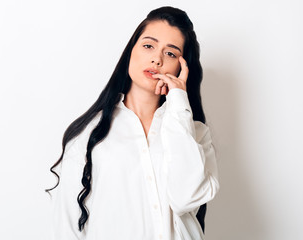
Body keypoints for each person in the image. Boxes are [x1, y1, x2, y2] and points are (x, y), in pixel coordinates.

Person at [46, 6, 220, 240]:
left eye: (170, 53)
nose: (156, 58)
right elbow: (66, 229)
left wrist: (179, 102)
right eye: (149, 45)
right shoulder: (88, 135)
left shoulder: (195, 133)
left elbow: (185, 198)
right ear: (131, 51)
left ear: (181, 68)